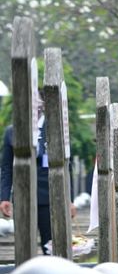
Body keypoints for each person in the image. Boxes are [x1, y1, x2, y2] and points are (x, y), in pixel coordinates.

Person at [1, 100, 77, 255]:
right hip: (22, 196)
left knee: (50, 245)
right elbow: (6, 168)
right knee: (23, 246)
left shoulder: (55, 129)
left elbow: (66, 166)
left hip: (50, 197)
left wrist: (69, 199)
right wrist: (4, 197)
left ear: (43, 105)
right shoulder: (12, 131)